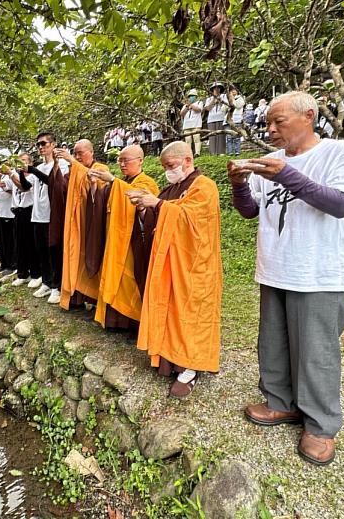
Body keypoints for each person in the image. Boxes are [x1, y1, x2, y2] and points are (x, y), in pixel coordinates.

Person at [229, 91, 344, 466]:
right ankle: (280, 403)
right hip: (275, 265)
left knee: (316, 351)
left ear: (308, 115)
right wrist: (240, 184)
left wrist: (288, 175)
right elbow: (249, 211)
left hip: (318, 270)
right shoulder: (269, 161)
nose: (269, 129)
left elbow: (341, 204)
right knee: (272, 341)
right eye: (268, 123)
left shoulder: (340, 153)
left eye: (278, 122)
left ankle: (321, 425)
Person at [127, 142, 222, 398]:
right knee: (168, 309)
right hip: (170, 262)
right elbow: (161, 217)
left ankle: (190, 366)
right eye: (165, 167)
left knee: (190, 313)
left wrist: (157, 205)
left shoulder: (205, 186)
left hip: (195, 264)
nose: (168, 171)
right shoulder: (173, 188)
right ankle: (169, 358)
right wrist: (145, 208)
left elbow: (194, 220)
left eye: (170, 166)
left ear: (187, 160)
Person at [88, 145, 160, 330]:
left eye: (125, 160)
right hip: (116, 239)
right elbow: (106, 201)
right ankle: (114, 321)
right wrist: (96, 186)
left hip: (134, 240)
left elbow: (144, 203)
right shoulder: (121, 182)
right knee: (115, 279)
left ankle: (132, 322)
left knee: (129, 281)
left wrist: (113, 180)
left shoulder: (147, 182)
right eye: (119, 160)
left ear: (140, 161)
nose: (121, 164)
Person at [54, 140, 110, 310]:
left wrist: (72, 160)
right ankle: (76, 297)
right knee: (74, 257)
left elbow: (98, 184)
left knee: (92, 257)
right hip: (76, 222)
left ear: (91, 152)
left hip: (92, 223)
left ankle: (93, 299)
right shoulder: (74, 170)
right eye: (75, 153)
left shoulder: (101, 168)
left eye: (81, 153)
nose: (78, 157)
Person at [15, 132, 69, 304]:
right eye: (38, 144)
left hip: (51, 215)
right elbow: (26, 187)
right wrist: (21, 173)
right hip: (37, 215)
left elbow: (54, 183)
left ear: (53, 144)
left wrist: (33, 170)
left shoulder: (61, 165)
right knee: (42, 251)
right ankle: (46, 282)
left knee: (54, 252)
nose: (41, 147)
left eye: (44, 143)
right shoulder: (40, 167)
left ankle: (57, 286)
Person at [8, 154, 40, 287]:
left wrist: (11, 174)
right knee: (19, 243)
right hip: (18, 211)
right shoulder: (15, 175)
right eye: (19, 161)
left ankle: (36, 274)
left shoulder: (33, 176)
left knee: (31, 243)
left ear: (30, 163)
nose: (21, 164)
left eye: (24, 161)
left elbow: (23, 187)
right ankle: (22, 273)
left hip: (30, 211)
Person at [0, 168, 16, 275]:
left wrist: (3, 185)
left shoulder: (12, 175)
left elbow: (11, 190)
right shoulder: (2, 176)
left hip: (7, 213)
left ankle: (11, 264)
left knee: (8, 240)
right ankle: (3, 263)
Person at [205, 82, 229, 155]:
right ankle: (213, 152)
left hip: (221, 117)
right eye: (215, 88)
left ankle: (221, 152)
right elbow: (207, 108)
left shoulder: (224, 96)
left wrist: (220, 100)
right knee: (212, 135)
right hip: (211, 119)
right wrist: (214, 99)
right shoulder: (209, 99)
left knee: (221, 135)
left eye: (218, 87)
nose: (216, 89)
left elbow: (227, 105)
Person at [180, 88, 203, 157]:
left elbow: (198, 110)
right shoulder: (185, 105)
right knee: (187, 140)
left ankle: (197, 153)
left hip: (196, 124)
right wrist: (187, 106)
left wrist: (191, 105)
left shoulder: (199, 103)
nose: (191, 97)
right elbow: (181, 114)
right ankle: (188, 154)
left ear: (196, 97)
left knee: (196, 139)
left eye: (192, 96)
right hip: (186, 125)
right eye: (190, 96)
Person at [226, 85, 245, 156]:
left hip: (237, 120)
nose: (233, 91)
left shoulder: (240, 98)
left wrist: (233, 99)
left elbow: (238, 106)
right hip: (228, 120)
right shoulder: (227, 99)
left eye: (235, 90)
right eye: (231, 90)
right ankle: (230, 152)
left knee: (237, 137)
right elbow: (223, 109)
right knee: (229, 137)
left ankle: (237, 152)